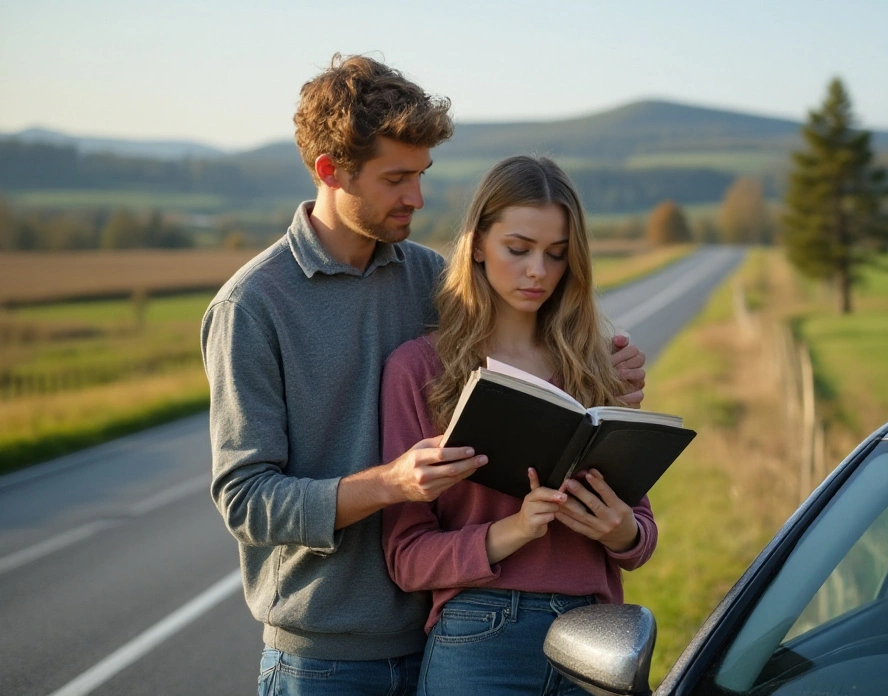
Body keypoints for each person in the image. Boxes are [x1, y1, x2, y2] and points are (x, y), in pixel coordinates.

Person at [201, 55, 646, 696]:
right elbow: (246, 501)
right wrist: (390, 483)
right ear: (330, 171)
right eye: (396, 178)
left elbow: (531, 322)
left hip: (448, 630)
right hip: (327, 654)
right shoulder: (253, 307)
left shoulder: (431, 279)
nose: (417, 197)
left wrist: (613, 376)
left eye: (423, 175)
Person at [380, 155, 658, 696]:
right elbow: (406, 558)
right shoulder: (419, 370)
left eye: (557, 255)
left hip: (596, 638)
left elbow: (641, 535)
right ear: (478, 243)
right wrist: (513, 531)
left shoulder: (599, 366)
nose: (538, 271)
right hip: (481, 637)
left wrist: (618, 530)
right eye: (518, 248)